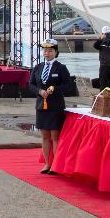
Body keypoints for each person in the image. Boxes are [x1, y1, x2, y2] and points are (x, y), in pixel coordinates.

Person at [32, 39, 77, 174]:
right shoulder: (38, 67)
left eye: (50, 50)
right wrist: (40, 91)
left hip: (55, 105)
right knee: (45, 136)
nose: (47, 53)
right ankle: (47, 163)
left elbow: (69, 86)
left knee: (55, 136)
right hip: (41, 105)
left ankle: (56, 165)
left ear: (56, 52)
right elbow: (31, 84)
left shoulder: (61, 68)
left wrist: (54, 89)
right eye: (45, 50)